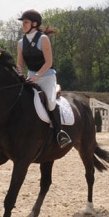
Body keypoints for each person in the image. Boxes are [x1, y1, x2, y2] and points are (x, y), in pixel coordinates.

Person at [16, 9, 71, 148]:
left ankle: (60, 133)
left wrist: (38, 76)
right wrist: (20, 75)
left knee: (51, 103)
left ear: (34, 24)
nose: (23, 25)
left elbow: (49, 62)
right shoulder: (21, 43)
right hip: (31, 77)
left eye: (26, 22)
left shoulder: (43, 39)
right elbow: (20, 64)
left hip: (47, 77)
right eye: (23, 22)